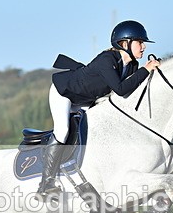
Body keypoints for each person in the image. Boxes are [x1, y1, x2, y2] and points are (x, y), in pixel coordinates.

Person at [37, 20, 161, 197]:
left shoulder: (132, 65)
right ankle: (46, 184)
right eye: (140, 42)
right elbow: (120, 90)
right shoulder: (106, 60)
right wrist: (146, 70)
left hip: (87, 99)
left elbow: (130, 92)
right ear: (124, 43)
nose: (144, 47)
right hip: (65, 93)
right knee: (63, 130)